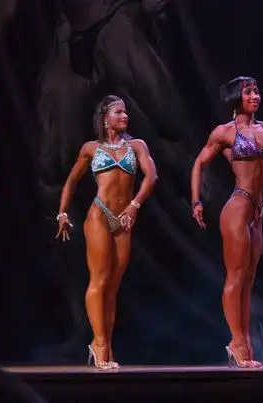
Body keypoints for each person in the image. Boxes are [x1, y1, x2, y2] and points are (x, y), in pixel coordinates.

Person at [191, 76, 263, 368]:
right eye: (248, 92)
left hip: (257, 214)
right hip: (238, 208)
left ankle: (245, 343)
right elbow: (199, 163)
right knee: (236, 277)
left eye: (256, 91)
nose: (255, 96)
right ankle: (237, 343)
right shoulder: (225, 132)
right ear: (235, 98)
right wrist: (196, 201)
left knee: (248, 280)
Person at [55, 94, 158, 369]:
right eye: (118, 112)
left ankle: (106, 343)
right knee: (99, 280)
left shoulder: (137, 146)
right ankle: (99, 344)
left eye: (126, 112)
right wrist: (62, 212)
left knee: (112, 285)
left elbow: (151, 176)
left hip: (123, 219)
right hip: (99, 215)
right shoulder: (91, 148)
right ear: (105, 118)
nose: (125, 116)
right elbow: (71, 181)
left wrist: (135, 205)